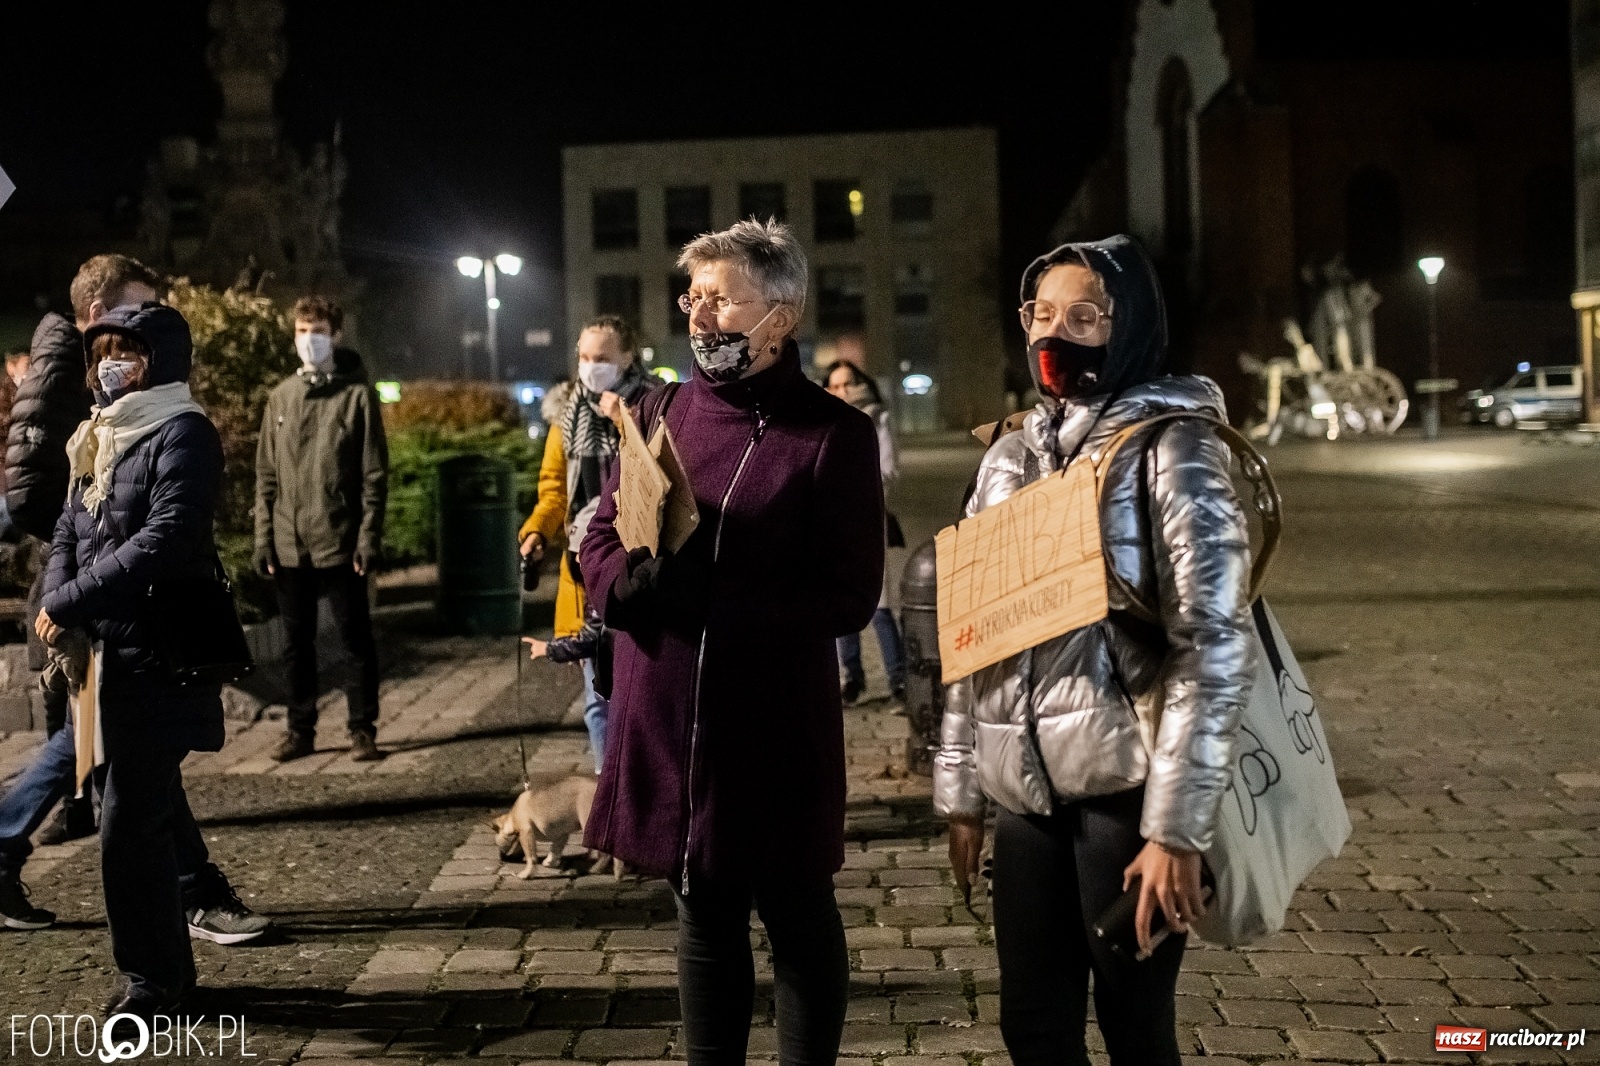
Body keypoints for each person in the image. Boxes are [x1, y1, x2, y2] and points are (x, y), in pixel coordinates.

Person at [935, 235, 1256, 1066]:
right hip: (1024, 797)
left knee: (1133, 1026)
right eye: (1041, 314)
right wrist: (963, 791)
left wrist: (1177, 831)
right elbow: (975, 637)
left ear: (1132, 323)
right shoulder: (1007, 457)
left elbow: (1213, 643)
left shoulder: (1174, 446)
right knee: (1033, 1029)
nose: (1057, 334)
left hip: (1127, 789)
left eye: (1085, 316)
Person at [580, 219, 884, 1066]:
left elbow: (850, 594)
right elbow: (599, 531)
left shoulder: (834, 435)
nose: (701, 316)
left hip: (772, 728)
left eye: (721, 299)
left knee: (796, 918)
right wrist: (621, 587)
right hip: (669, 716)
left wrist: (718, 597)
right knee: (702, 916)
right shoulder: (658, 408)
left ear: (779, 318)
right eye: (693, 297)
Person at [36, 302, 266, 1015]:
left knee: (128, 828)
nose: (111, 367)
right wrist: (57, 601)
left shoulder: (184, 432)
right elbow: (67, 530)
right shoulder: (96, 438)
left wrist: (70, 600)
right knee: (134, 819)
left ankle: (155, 981)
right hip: (102, 663)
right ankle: (162, 971)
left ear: (160, 360)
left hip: (158, 658)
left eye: (127, 353)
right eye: (104, 352)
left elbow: (167, 536)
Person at [5, 256, 161, 844]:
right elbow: (42, 482)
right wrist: (82, 537)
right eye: (135, 306)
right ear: (97, 313)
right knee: (97, 713)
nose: (143, 321)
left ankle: (88, 814)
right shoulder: (71, 366)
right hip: (79, 561)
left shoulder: (66, 360)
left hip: (76, 560)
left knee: (95, 712)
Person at [516, 315, 660, 772]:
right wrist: (538, 529)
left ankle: (648, 789)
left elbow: (657, 475)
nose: (590, 367)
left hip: (641, 564)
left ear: (628, 359)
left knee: (645, 693)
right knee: (597, 695)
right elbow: (554, 486)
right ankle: (609, 789)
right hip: (584, 567)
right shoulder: (567, 414)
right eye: (584, 357)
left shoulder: (655, 403)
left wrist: (623, 421)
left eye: (602, 358)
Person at [255, 295, 388, 763]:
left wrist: (367, 538)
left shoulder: (357, 397)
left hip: (340, 541)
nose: (308, 340)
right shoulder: (280, 398)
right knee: (296, 644)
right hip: (291, 545)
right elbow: (266, 476)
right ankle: (300, 729)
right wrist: (263, 539)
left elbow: (374, 475)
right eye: (301, 330)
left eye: (317, 331)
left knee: (355, 641)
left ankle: (362, 727)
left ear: (336, 335)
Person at [823, 361, 905, 704]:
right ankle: (852, 678)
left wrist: (850, 490)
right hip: (830, 523)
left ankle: (899, 680)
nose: (842, 392)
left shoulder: (876, 418)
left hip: (868, 518)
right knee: (839, 603)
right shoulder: (822, 418)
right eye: (835, 386)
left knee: (879, 604)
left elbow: (887, 469)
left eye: (848, 385)